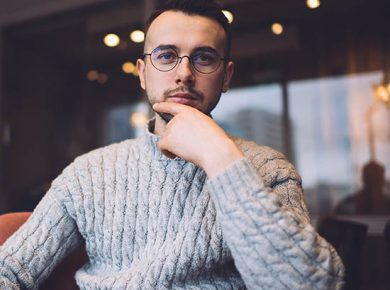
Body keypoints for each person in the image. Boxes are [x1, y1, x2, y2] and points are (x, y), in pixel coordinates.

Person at [0, 0, 344, 289]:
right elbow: (10, 270)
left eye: (204, 58)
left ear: (226, 76)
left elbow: (309, 283)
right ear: (142, 72)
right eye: (166, 56)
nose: (184, 74)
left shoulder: (268, 170)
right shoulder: (88, 173)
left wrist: (220, 158)